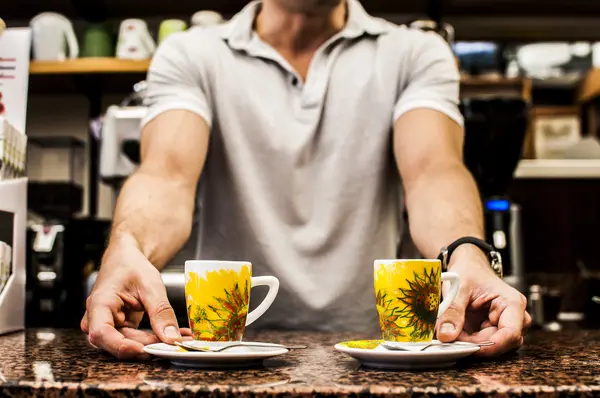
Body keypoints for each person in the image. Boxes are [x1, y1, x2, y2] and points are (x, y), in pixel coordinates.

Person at [81, 0, 531, 360]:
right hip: (225, 354)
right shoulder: (192, 53)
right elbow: (166, 174)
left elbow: (435, 171)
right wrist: (127, 247)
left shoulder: (415, 51)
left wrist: (468, 254)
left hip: (374, 357)